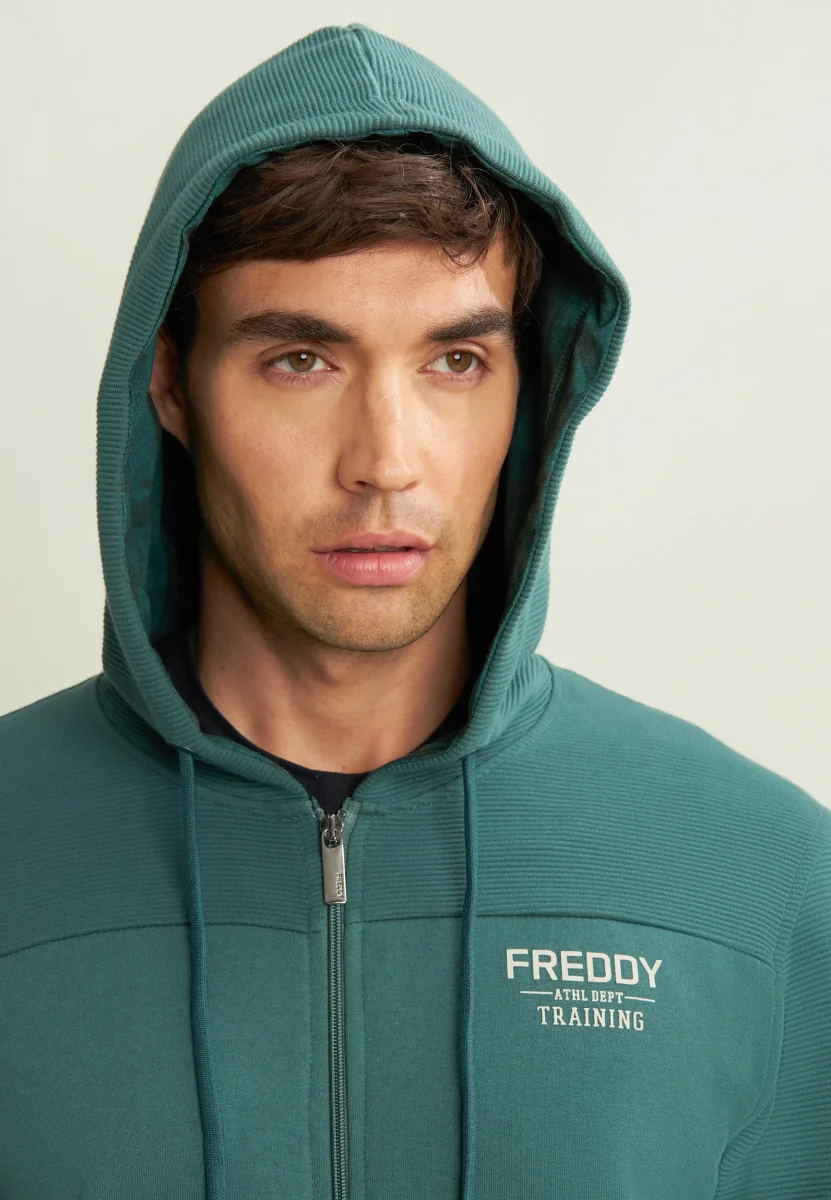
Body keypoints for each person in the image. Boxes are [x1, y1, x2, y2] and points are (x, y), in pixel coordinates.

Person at [0, 22, 828, 1200]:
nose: (385, 461)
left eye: (455, 363)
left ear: (531, 389)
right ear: (172, 383)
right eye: (302, 359)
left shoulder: (761, 877)